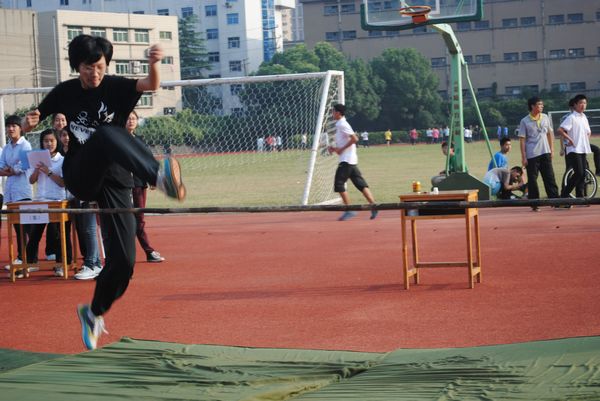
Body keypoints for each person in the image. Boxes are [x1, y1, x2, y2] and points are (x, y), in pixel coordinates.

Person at [23, 34, 186, 350]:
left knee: (124, 261)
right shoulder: (65, 92)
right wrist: (29, 123)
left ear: (105, 65)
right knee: (106, 134)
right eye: (87, 68)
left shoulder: (116, 86)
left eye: (99, 67)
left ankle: (94, 313)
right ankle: (158, 177)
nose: (94, 74)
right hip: (82, 173)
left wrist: (155, 64)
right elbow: (36, 115)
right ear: (77, 67)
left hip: (115, 181)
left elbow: (150, 85)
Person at [58, 128, 103, 280]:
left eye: (69, 135)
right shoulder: (69, 154)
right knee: (86, 230)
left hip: (88, 193)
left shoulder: (83, 151)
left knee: (90, 229)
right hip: (77, 194)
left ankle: (91, 264)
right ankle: (95, 263)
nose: (67, 138)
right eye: (63, 135)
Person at [25, 128, 71, 277]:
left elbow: (63, 183)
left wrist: (49, 172)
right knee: (34, 233)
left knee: (58, 234)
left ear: (57, 142)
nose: (49, 144)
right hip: (39, 200)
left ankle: (60, 264)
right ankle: (31, 262)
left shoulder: (62, 160)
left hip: (56, 200)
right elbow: (31, 181)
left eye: (52, 141)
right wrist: (38, 170)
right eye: (46, 141)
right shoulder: (36, 158)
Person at [328, 104, 377, 221]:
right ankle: (374, 206)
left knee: (339, 184)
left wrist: (341, 149)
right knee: (360, 184)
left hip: (347, 161)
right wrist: (335, 149)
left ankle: (349, 209)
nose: (332, 113)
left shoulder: (342, 124)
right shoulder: (340, 124)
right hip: (350, 159)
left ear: (339, 113)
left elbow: (355, 139)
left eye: (333, 111)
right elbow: (344, 144)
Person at [127, 111, 165, 263]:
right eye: (128, 118)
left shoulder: (140, 140)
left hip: (138, 184)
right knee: (124, 219)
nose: (131, 121)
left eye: (134, 118)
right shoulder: (118, 140)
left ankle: (148, 252)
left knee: (139, 219)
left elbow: (147, 161)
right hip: (123, 185)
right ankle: (128, 252)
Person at [1, 115, 33, 276]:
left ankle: (25, 259)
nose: (11, 129)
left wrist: (10, 169)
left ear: (20, 128)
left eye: (14, 125)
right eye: (8, 126)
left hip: (23, 191)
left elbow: (23, 167)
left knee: (24, 228)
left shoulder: (25, 145)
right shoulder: (6, 148)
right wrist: (10, 169)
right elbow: (1, 168)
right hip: (11, 192)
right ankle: (22, 258)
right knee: (16, 227)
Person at [518, 96, 559, 211]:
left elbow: (549, 134)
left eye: (542, 104)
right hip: (532, 155)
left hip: (545, 152)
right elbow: (522, 140)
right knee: (532, 180)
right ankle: (534, 203)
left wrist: (552, 149)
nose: (542, 106)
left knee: (549, 177)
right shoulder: (524, 121)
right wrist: (523, 157)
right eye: (539, 104)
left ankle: (555, 200)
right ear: (532, 106)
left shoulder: (545, 117)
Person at [558, 94, 592, 204]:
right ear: (575, 105)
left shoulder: (584, 117)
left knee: (582, 174)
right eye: (581, 103)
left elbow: (588, 131)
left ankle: (578, 196)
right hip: (573, 150)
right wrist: (570, 140)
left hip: (582, 148)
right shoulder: (571, 117)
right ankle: (563, 195)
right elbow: (560, 130)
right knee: (579, 173)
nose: (583, 105)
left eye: (585, 103)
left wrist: (586, 138)